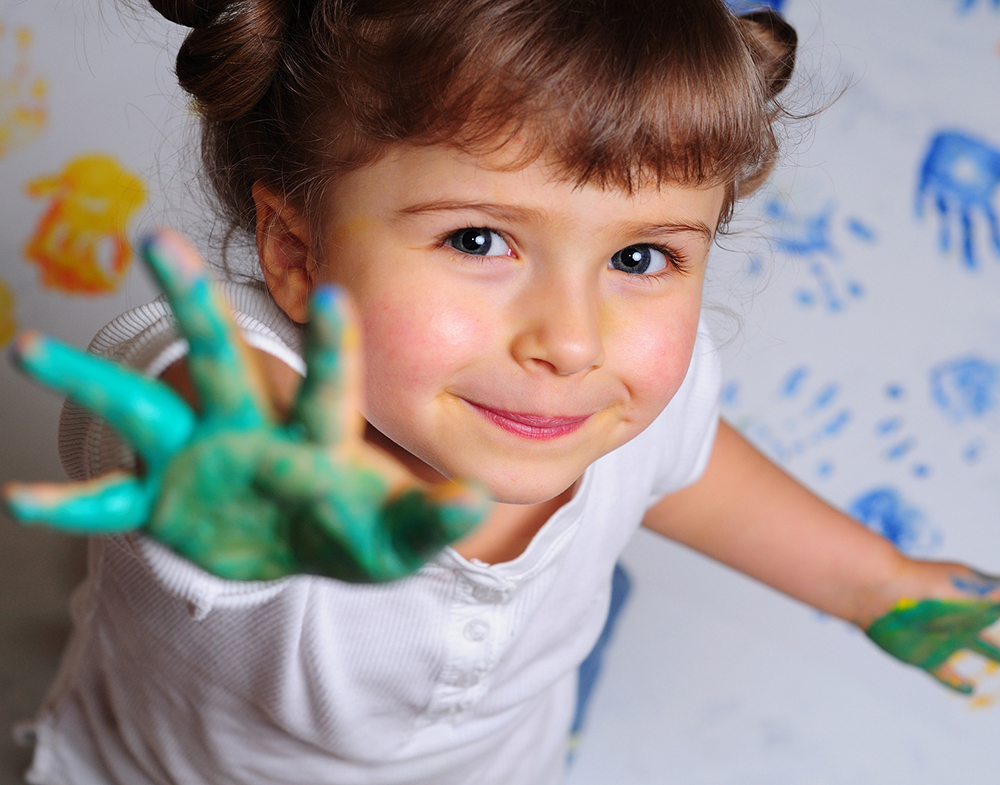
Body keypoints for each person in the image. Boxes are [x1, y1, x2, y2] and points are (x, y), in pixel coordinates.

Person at [5, 1, 1000, 783]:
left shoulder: (609, 399)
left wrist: (875, 579)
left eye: (642, 254)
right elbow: (180, 364)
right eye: (478, 240)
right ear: (296, 251)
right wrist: (254, 456)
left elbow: (687, 462)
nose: (571, 340)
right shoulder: (255, 430)